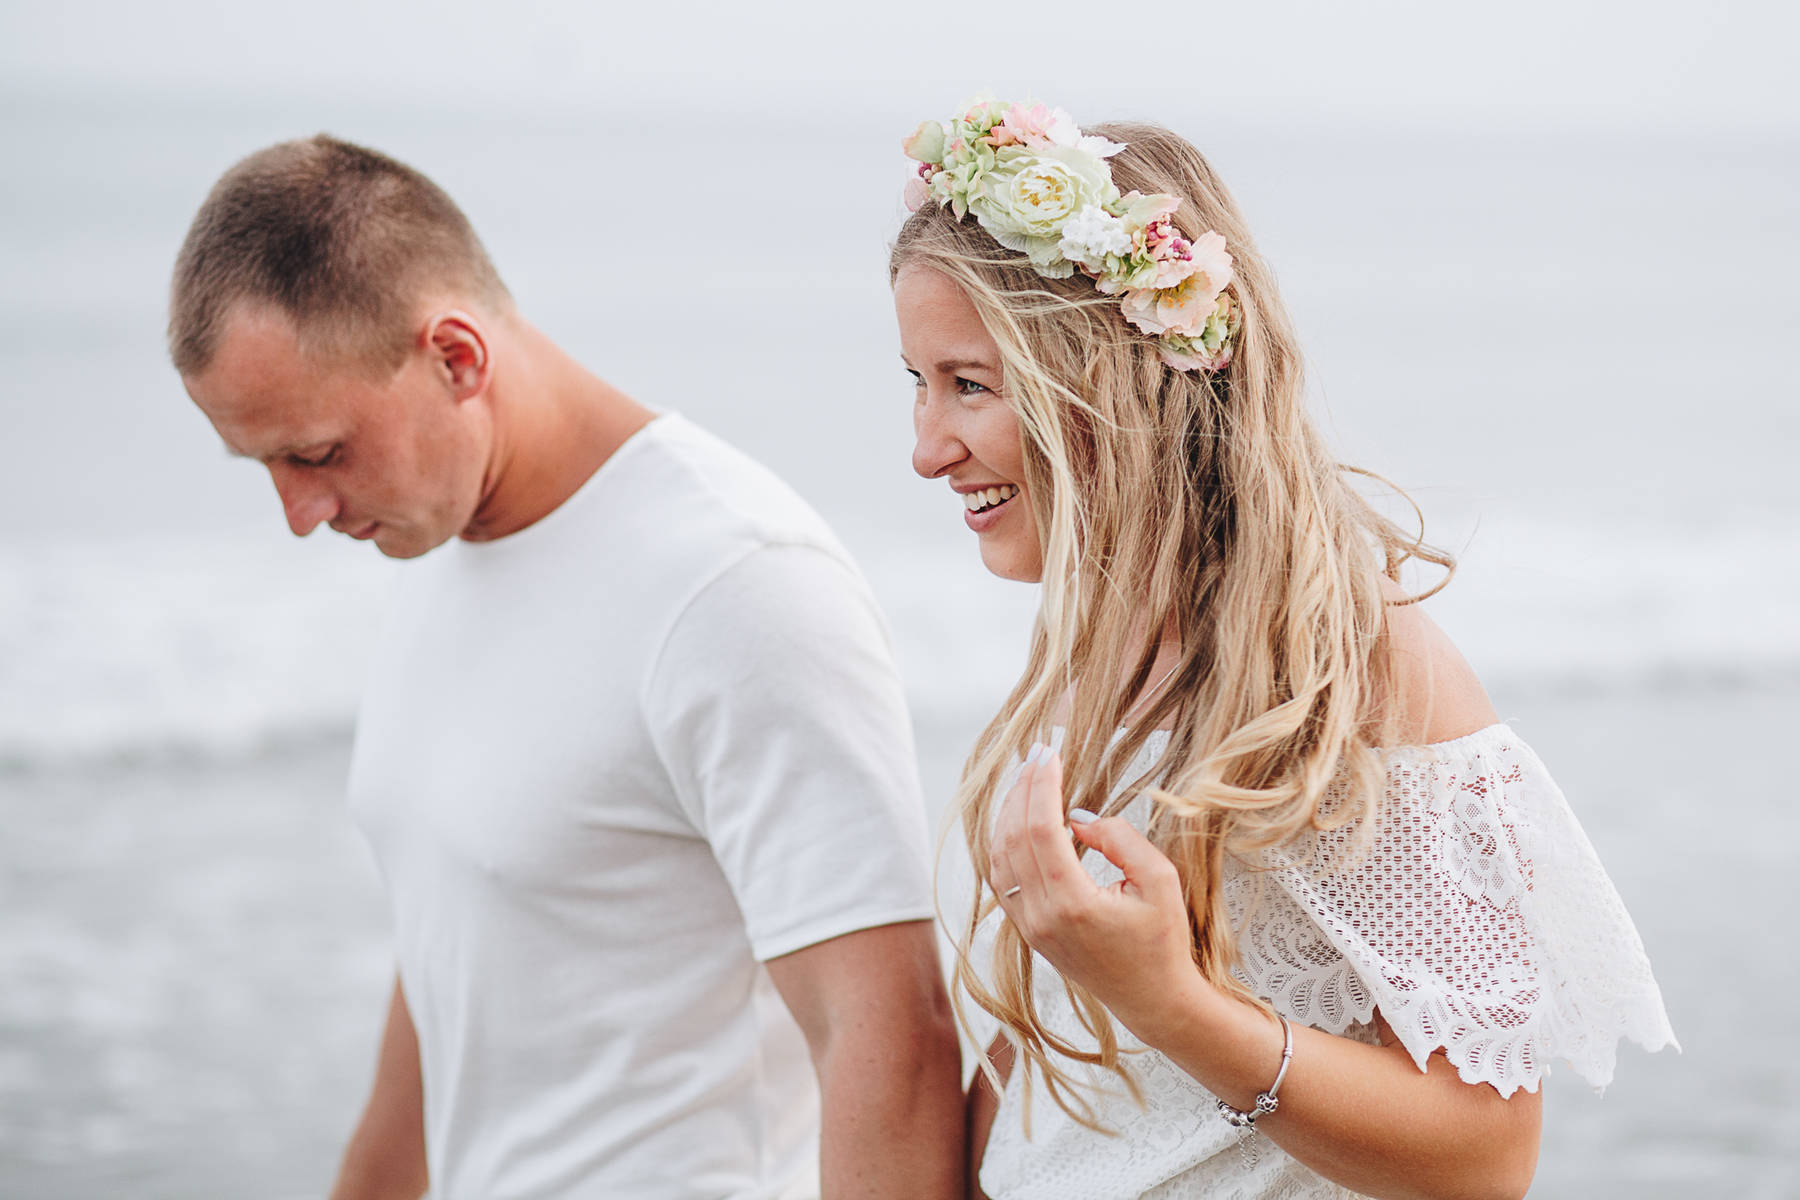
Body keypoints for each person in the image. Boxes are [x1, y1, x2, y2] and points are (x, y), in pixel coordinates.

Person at [890, 101, 1677, 1199]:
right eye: (915, 383)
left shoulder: (1350, 675)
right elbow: (1058, 1086)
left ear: (1115, 379)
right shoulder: (1099, 657)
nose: (928, 450)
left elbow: (1487, 1156)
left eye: (969, 384)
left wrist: (1175, 1004)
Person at [168, 134, 963, 1199]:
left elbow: (891, 1041)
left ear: (456, 358)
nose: (300, 514)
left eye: (316, 453)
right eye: (263, 464)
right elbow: (457, 941)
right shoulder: (435, 539)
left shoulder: (735, 584)